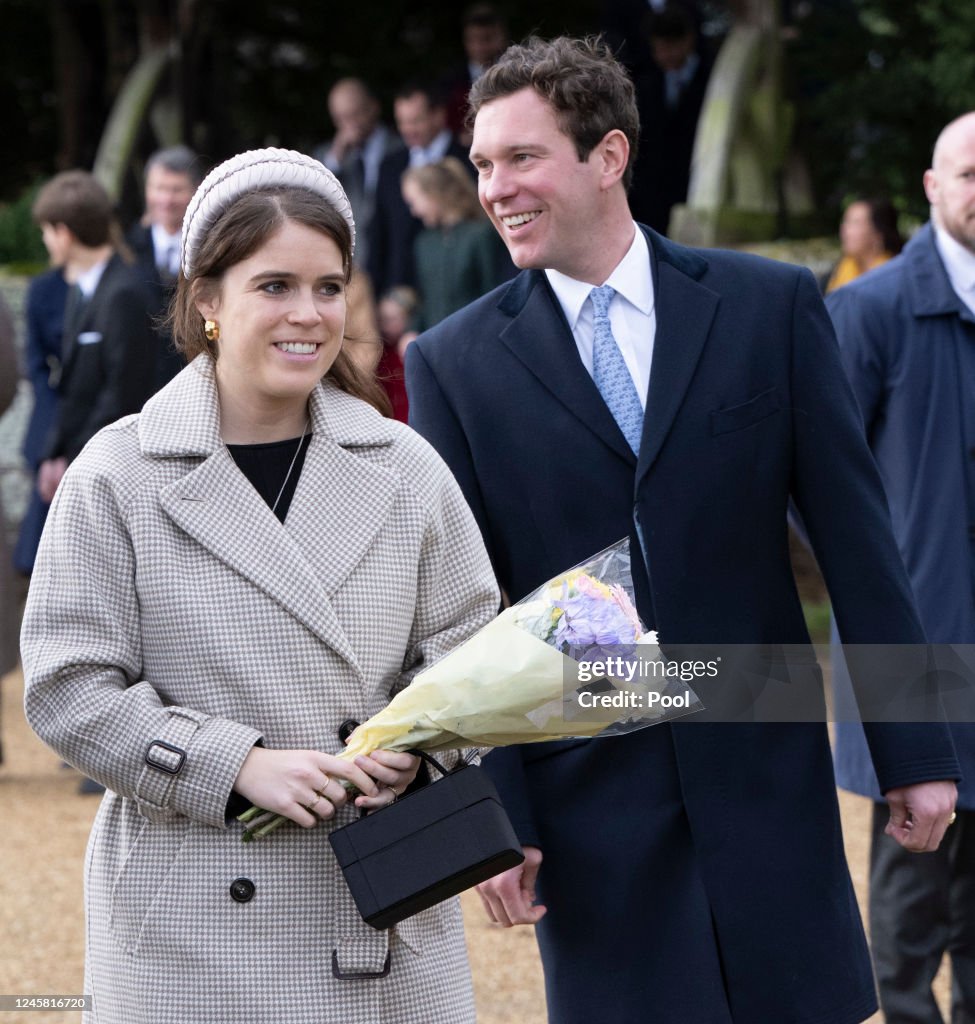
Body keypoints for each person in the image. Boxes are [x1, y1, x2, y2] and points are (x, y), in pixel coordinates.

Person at [405, 36, 960, 1024]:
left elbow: (860, 543)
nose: (495, 188)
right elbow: (464, 608)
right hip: (589, 808)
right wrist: (500, 815)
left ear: (608, 156)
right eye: (484, 165)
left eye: (520, 157)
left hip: (765, 785)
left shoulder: (770, 307)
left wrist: (912, 747)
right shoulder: (452, 364)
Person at [20, 148, 498, 1024]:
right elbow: (66, 688)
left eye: (327, 287)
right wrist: (235, 764)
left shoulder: (406, 467)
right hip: (188, 917)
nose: (308, 315)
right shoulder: (118, 473)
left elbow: (471, 650)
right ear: (207, 300)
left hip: (374, 914)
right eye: (273, 285)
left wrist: (418, 744)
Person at [828, 114, 975, 1024]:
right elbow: (819, 492)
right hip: (916, 652)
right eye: (970, 173)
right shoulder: (867, 311)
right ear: (929, 185)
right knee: (911, 906)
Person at [32, 170, 157, 506]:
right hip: (78, 456)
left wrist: (76, 460)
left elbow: (122, 391)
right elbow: (73, 386)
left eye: (46, 231)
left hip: (111, 464)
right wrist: (53, 453)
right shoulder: (80, 289)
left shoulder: (123, 293)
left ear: (64, 233)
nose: (45, 241)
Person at [367, 82, 473, 295]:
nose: (408, 130)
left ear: (438, 115)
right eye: (402, 122)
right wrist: (376, 293)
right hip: (397, 295)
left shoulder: (469, 160)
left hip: (454, 292)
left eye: (416, 121)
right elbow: (379, 232)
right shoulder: (390, 166)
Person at [629, 3, 714, 234]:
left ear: (687, 41)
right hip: (655, 191)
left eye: (670, 47)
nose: (664, 56)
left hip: (697, 180)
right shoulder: (646, 84)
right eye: (658, 49)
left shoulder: (712, 80)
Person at [401, 156, 513, 330]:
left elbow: (494, 292)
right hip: (436, 343)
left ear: (434, 195)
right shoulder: (424, 243)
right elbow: (427, 299)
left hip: (476, 336)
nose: (414, 211)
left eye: (415, 202)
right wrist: (412, 331)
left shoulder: (481, 234)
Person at [127, 145, 203, 386]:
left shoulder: (209, 249)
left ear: (194, 191)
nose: (166, 200)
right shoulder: (127, 247)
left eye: (176, 190)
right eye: (159, 188)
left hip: (193, 377)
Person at [312, 77, 404, 272]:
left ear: (373, 107)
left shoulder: (400, 147)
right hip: (352, 260)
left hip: (392, 257)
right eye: (341, 119)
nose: (350, 125)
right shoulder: (329, 156)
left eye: (355, 115)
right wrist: (338, 154)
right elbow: (314, 196)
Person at [11, 265, 67, 575]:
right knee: (34, 560)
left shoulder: (121, 285)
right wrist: (50, 447)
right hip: (49, 427)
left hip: (90, 432)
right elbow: (36, 368)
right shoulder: (43, 289)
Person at [823, 196, 903, 294]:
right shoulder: (838, 272)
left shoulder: (897, 277)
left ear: (878, 234)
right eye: (845, 222)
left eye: (855, 223)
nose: (845, 230)